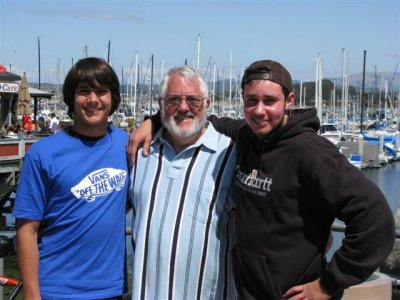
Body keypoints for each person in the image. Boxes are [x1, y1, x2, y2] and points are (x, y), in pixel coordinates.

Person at [128, 60, 396, 300]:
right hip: (251, 292)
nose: (259, 111)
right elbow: (199, 120)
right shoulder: (246, 136)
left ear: (289, 100)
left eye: (269, 101)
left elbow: (375, 219)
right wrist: (154, 121)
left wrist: (328, 284)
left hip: (293, 292)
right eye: (251, 101)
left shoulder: (310, 151)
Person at [13, 57, 129, 299]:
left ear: (113, 98)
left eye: (102, 91)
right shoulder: (42, 154)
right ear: (71, 98)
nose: (93, 100)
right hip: (56, 290)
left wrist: (149, 125)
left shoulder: (127, 145)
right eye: (84, 92)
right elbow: (27, 231)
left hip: (113, 290)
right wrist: (32, 295)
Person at [129, 66, 237, 299]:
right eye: (173, 100)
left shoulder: (232, 155)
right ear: (160, 104)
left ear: (207, 104)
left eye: (193, 100)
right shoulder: (138, 154)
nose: (183, 107)